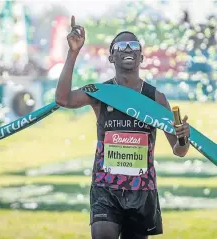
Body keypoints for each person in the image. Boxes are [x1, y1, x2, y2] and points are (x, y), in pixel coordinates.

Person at [55, 15, 190, 239]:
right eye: (121, 46)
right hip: (105, 188)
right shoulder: (100, 93)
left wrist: (183, 137)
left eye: (134, 45)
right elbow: (63, 99)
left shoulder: (155, 98)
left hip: (141, 191)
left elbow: (180, 150)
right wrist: (73, 52)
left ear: (141, 57)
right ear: (111, 57)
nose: (128, 48)